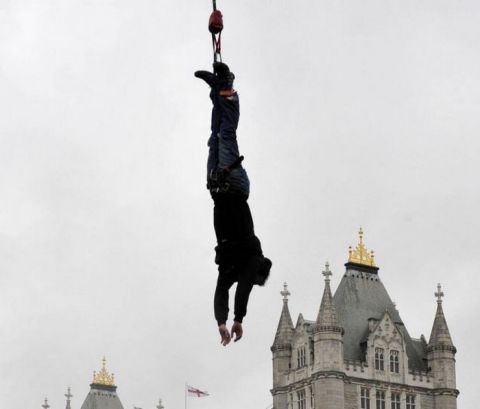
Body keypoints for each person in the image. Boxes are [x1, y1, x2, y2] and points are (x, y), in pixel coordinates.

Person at [195, 62, 272, 346]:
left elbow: (221, 293)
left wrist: (221, 322)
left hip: (218, 188)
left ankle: (217, 92)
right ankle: (227, 86)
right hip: (234, 186)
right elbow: (242, 292)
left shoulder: (228, 268)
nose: (247, 280)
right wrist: (238, 319)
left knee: (214, 139)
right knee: (227, 135)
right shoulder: (252, 260)